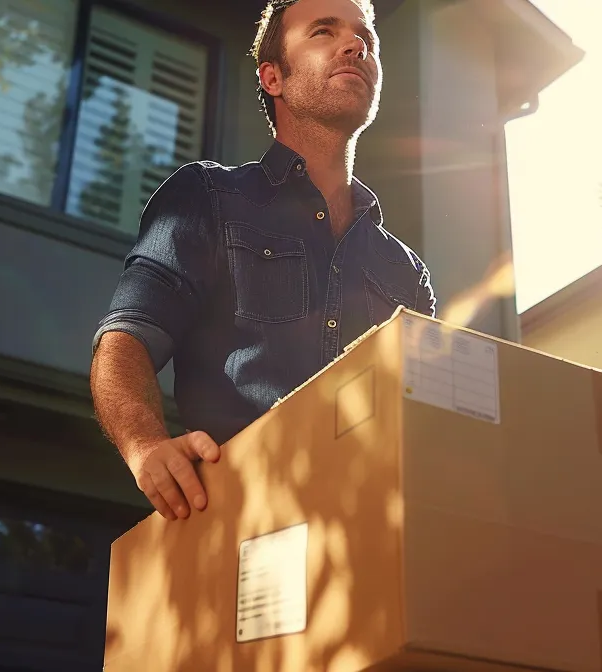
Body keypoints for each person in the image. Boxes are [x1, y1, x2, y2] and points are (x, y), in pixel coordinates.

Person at [89, 0, 436, 522]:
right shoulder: (208, 196)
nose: (356, 45)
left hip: (371, 533)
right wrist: (146, 448)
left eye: (367, 37)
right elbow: (126, 339)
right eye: (324, 31)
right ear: (273, 77)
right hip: (240, 521)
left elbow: (428, 421)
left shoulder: (405, 271)